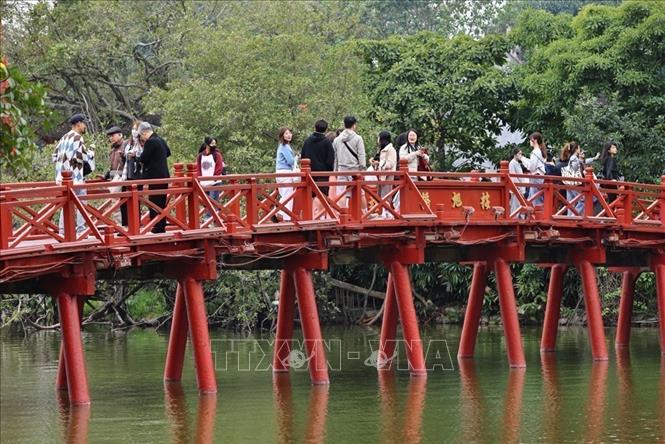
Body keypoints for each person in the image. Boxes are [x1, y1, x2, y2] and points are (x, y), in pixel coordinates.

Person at [53, 113, 95, 234]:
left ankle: (62, 230)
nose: (85, 126)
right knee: (82, 201)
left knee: (66, 202)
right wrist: (92, 151)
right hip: (75, 177)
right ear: (78, 124)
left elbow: (54, 156)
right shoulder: (77, 138)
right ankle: (81, 230)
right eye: (84, 123)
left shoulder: (64, 137)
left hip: (61, 177)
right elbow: (83, 157)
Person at [137, 122, 171, 233]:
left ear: (144, 132)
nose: (142, 138)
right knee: (162, 202)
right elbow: (168, 153)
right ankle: (161, 226)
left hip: (155, 176)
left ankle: (157, 226)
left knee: (154, 202)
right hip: (164, 175)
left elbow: (143, 158)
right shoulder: (161, 140)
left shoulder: (150, 142)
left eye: (141, 135)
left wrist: (137, 158)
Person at [333, 116, 366, 207]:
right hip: (355, 169)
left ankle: (342, 214)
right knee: (360, 191)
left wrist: (335, 171)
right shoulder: (358, 138)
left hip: (341, 168)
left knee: (341, 192)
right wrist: (362, 169)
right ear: (354, 125)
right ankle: (365, 212)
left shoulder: (337, 140)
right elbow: (361, 155)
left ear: (344, 124)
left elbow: (335, 157)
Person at [302, 119, 335, 196]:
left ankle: (311, 209)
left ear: (315, 127)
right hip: (322, 175)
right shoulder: (327, 142)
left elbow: (303, 156)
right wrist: (330, 171)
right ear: (326, 129)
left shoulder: (307, 141)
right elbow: (330, 160)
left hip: (309, 174)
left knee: (310, 197)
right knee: (322, 198)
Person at [105, 126, 129, 225]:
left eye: (113, 135)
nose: (111, 138)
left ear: (120, 135)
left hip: (123, 179)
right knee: (114, 204)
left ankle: (121, 226)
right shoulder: (113, 150)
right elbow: (113, 168)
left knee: (117, 204)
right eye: (109, 136)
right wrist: (106, 175)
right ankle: (120, 226)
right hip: (115, 179)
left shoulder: (126, 145)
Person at [275, 127, 296, 221]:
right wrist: (296, 158)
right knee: (288, 195)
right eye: (286, 133)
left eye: (290, 133)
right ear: (282, 135)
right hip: (285, 172)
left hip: (279, 172)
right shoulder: (285, 146)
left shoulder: (281, 146)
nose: (289, 135)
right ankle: (278, 212)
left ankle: (283, 215)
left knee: (285, 194)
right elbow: (291, 161)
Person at [196, 136, 224, 201]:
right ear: (207, 144)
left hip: (214, 183)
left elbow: (219, 168)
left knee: (212, 203)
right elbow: (198, 168)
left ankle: (216, 211)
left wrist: (214, 179)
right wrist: (200, 179)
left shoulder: (217, 154)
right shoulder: (200, 155)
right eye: (212, 144)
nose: (213, 146)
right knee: (206, 203)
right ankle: (217, 210)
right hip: (204, 183)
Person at [376, 131, 396, 217]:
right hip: (382, 174)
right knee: (381, 194)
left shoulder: (391, 149)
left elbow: (390, 163)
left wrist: (380, 164)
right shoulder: (382, 149)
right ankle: (385, 212)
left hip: (388, 174)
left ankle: (388, 212)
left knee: (386, 194)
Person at [525, 132, 547, 206]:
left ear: (535, 140)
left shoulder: (535, 152)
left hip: (535, 177)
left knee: (535, 199)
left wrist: (525, 162)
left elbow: (532, 167)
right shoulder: (540, 151)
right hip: (540, 177)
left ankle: (537, 215)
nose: (529, 142)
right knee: (534, 197)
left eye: (530, 140)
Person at [508, 147, 528, 216]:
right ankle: (514, 219)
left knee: (521, 205)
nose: (520, 155)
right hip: (516, 187)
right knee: (515, 205)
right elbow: (513, 176)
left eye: (521, 154)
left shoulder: (518, 163)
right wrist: (518, 187)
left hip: (521, 186)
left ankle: (520, 218)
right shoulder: (512, 163)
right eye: (519, 154)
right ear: (515, 154)